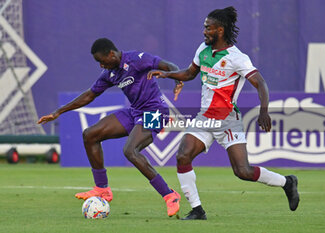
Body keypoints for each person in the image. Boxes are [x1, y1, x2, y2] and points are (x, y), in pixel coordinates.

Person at [147, 6, 299, 220]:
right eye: (204, 27)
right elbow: (191, 73)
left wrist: (264, 111)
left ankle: (287, 182)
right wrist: (167, 74)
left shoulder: (237, 58)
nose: (204, 31)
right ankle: (198, 210)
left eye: (208, 28)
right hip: (204, 118)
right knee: (183, 156)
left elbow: (261, 83)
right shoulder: (203, 49)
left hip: (228, 120)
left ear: (220, 30)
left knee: (243, 172)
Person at [37, 38, 184, 217]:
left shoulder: (137, 59)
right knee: (90, 135)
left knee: (131, 151)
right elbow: (90, 95)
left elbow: (168, 65)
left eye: (102, 61)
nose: (101, 65)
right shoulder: (110, 73)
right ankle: (102, 189)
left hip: (156, 112)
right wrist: (58, 112)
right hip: (135, 112)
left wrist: (178, 79)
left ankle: (170, 195)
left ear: (111, 54)